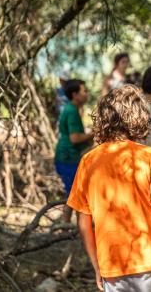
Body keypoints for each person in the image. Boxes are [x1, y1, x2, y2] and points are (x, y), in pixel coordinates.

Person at [67, 85, 151, 292]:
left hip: (114, 269)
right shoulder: (150, 156)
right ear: (138, 116)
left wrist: (97, 265)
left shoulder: (88, 161)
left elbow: (83, 222)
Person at [54, 79, 93, 223]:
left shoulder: (73, 109)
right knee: (74, 192)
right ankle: (68, 223)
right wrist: (93, 133)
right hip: (67, 157)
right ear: (75, 94)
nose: (86, 94)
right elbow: (75, 138)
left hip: (69, 156)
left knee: (73, 191)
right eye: (84, 91)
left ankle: (66, 222)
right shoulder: (71, 111)